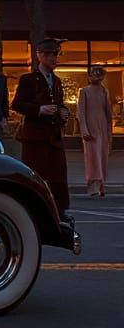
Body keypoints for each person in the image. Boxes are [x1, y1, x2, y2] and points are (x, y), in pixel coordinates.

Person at [12, 38, 71, 218]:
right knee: (35, 174)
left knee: (58, 175)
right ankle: (31, 209)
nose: (54, 59)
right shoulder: (28, 79)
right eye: (50, 55)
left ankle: (60, 210)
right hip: (35, 136)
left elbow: (59, 103)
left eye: (56, 55)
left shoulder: (57, 81)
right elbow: (17, 104)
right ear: (41, 56)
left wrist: (63, 112)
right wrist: (39, 110)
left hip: (54, 136)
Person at [77, 65, 112, 197]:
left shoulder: (104, 91)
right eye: (92, 74)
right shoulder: (84, 91)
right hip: (90, 128)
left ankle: (102, 185)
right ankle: (92, 186)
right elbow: (81, 112)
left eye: (98, 75)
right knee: (92, 157)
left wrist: (109, 131)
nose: (94, 77)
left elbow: (108, 112)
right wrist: (84, 129)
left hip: (102, 128)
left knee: (102, 157)